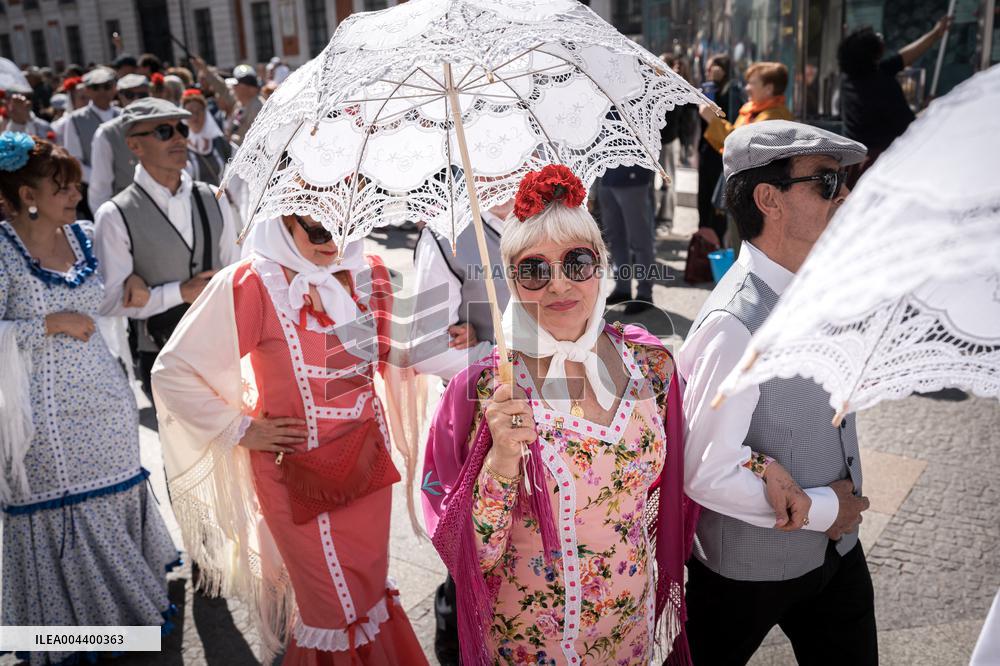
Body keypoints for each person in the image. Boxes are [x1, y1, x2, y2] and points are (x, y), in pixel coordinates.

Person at [422, 164, 699, 665]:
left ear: (601, 264)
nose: (557, 285)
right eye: (533, 269)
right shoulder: (484, 389)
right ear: (511, 280)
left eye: (577, 262)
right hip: (525, 644)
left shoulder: (653, 366)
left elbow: (680, 480)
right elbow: (470, 556)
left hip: (625, 634)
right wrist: (502, 458)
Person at [151, 213, 428, 665]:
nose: (335, 243)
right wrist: (243, 428)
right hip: (294, 479)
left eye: (349, 225)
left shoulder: (370, 271)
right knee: (332, 611)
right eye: (319, 231)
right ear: (285, 222)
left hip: (367, 469)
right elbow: (174, 371)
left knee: (368, 595)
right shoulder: (253, 284)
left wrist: (464, 341)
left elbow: (394, 356)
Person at [679, 120, 876, 665]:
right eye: (827, 182)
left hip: (837, 550)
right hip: (747, 570)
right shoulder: (735, 324)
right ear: (769, 199)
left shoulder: (823, 284)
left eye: (844, 179)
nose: (846, 194)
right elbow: (706, 469)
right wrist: (821, 509)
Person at [0, 133, 179, 665]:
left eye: (75, 184)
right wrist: (45, 325)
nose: (76, 194)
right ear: (27, 194)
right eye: (62, 187)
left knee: (112, 500)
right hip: (41, 419)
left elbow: (105, 300)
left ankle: (125, 624)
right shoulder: (2, 249)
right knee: (63, 513)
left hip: (105, 401)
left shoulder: (81, 236)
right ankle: (79, 638)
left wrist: (135, 287)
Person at [409, 197, 513, 666]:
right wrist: (494, 354)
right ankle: (458, 648)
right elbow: (427, 350)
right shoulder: (446, 234)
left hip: (555, 410)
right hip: (475, 421)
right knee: (471, 548)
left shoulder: (558, 212)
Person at [93, 98, 240, 394]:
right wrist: (178, 293)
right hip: (162, 355)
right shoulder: (114, 215)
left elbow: (234, 271)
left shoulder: (214, 196)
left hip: (220, 348)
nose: (178, 138)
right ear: (134, 146)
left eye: (181, 128)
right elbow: (108, 301)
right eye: (164, 131)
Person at [839, 16, 952, 184]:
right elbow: (909, 128)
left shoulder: (850, 79)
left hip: (854, 165)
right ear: (873, 54)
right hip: (879, 168)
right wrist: (929, 109)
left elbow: (902, 58)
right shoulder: (882, 85)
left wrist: (935, 34)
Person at [699, 61, 794, 251]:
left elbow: (739, 145)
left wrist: (713, 120)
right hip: (746, 193)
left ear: (768, 88)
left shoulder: (773, 116)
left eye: (752, 83)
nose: (747, 88)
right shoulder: (753, 110)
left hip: (756, 197)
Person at [87, 73, 150, 213]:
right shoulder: (107, 133)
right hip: (127, 213)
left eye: (142, 95)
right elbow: (100, 189)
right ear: (120, 96)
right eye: (129, 95)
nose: (136, 100)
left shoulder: (163, 124)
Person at [63, 67, 120, 220]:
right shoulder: (75, 120)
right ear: (87, 91)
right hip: (94, 190)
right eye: (96, 87)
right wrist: (100, 178)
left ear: (115, 88)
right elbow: (74, 160)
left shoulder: (123, 115)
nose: (102, 91)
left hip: (126, 185)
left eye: (107, 86)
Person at [600, 163, 657, 314]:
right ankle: (622, 287)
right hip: (606, 176)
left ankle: (645, 293)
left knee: (640, 239)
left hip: (633, 176)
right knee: (615, 238)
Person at [697, 54, 740, 243]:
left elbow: (728, 121)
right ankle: (705, 247)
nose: (709, 72)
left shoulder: (731, 92)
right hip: (707, 153)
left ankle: (714, 246)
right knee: (704, 204)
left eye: (713, 68)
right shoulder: (709, 89)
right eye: (707, 69)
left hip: (720, 155)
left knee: (715, 209)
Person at [181, 87, 232, 186]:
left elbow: (236, 169)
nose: (195, 116)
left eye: (199, 111)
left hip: (219, 199)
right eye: (190, 112)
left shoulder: (219, 142)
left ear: (206, 113)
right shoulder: (180, 145)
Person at [230, 64, 264, 146]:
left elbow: (258, 139)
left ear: (251, 88)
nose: (234, 88)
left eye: (237, 85)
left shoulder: (258, 107)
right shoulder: (239, 105)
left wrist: (235, 140)